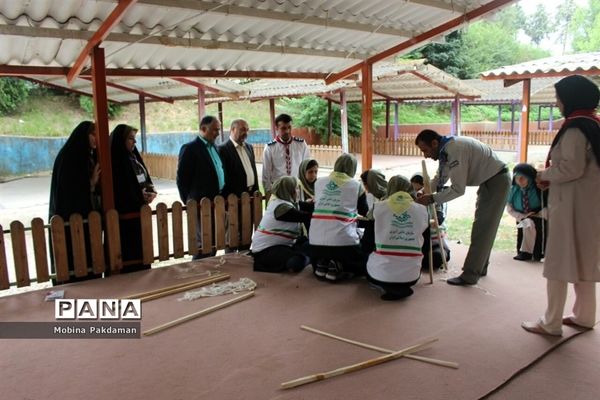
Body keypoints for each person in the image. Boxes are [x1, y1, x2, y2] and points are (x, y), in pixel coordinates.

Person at [522, 75, 600, 336]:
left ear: (571, 98)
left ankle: (551, 322)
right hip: (589, 207)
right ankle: (585, 316)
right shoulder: (594, 124)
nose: (557, 103)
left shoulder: (577, 127)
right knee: (584, 260)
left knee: (558, 263)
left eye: (558, 98)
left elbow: (571, 168)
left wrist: (542, 175)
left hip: (571, 208)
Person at [415, 129, 510, 286]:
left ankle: (470, 274)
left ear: (434, 143)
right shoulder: (447, 149)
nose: (425, 155)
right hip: (491, 179)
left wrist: (431, 198)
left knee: (483, 228)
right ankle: (480, 267)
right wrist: (423, 191)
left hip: (496, 180)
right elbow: (440, 177)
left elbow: (458, 189)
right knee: (483, 227)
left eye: (425, 150)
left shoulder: (455, 149)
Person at [49, 121, 101, 283]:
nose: (96, 138)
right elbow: (70, 190)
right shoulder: (71, 157)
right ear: (83, 136)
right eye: (93, 134)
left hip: (82, 218)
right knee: (73, 257)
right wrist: (91, 183)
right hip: (69, 218)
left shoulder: (83, 155)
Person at [363, 175, 429, 300]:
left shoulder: (379, 208)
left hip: (380, 275)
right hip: (412, 275)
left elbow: (366, 244)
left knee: (366, 262)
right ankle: (399, 285)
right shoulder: (422, 210)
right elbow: (426, 247)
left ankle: (388, 285)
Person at [309, 153, 369, 281]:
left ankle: (324, 262)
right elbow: (365, 212)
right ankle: (338, 264)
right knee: (367, 262)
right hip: (343, 245)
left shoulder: (319, 182)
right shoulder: (356, 185)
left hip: (315, 244)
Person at [110, 124, 157, 272]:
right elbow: (120, 188)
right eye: (131, 139)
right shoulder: (116, 160)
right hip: (125, 216)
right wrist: (137, 195)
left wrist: (150, 192)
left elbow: (144, 178)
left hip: (140, 212)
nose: (134, 143)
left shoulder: (134, 157)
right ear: (122, 140)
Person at [176, 115, 225, 259]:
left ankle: (211, 272)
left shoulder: (215, 147)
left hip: (215, 202)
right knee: (203, 244)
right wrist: (190, 202)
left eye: (219, 130)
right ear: (203, 129)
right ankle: (199, 274)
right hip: (199, 204)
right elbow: (182, 180)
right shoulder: (190, 148)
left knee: (213, 242)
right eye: (215, 130)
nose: (217, 133)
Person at [250, 176, 311, 273]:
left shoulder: (285, 202)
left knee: (305, 242)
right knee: (297, 261)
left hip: (279, 246)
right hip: (265, 251)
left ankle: (306, 255)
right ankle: (306, 257)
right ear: (289, 191)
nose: (298, 191)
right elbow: (307, 217)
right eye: (296, 188)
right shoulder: (282, 208)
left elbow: (307, 207)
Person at [218, 119, 260, 252]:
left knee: (247, 236)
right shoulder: (223, 149)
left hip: (249, 198)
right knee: (232, 238)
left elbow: (252, 172)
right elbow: (223, 177)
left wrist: (256, 194)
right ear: (232, 129)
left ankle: (243, 264)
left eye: (247, 130)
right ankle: (231, 266)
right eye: (242, 129)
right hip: (233, 201)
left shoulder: (249, 147)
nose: (245, 133)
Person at [506, 163, 547, 262]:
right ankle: (525, 252)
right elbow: (509, 209)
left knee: (536, 227)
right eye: (517, 178)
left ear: (530, 178)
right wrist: (522, 216)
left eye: (523, 178)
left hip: (539, 213)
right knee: (527, 224)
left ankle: (538, 252)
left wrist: (537, 214)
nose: (519, 181)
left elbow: (547, 205)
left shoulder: (538, 189)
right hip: (522, 214)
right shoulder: (513, 191)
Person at [262, 113, 310, 196]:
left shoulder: (301, 144)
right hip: (278, 190)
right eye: (283, 128)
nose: (287, 131)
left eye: (289, 127)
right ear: (276, 128)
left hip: (297, 189)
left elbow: (306, 168)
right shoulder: (270, 147)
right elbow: (266, 173)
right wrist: (268, 192)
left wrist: (306, 190)